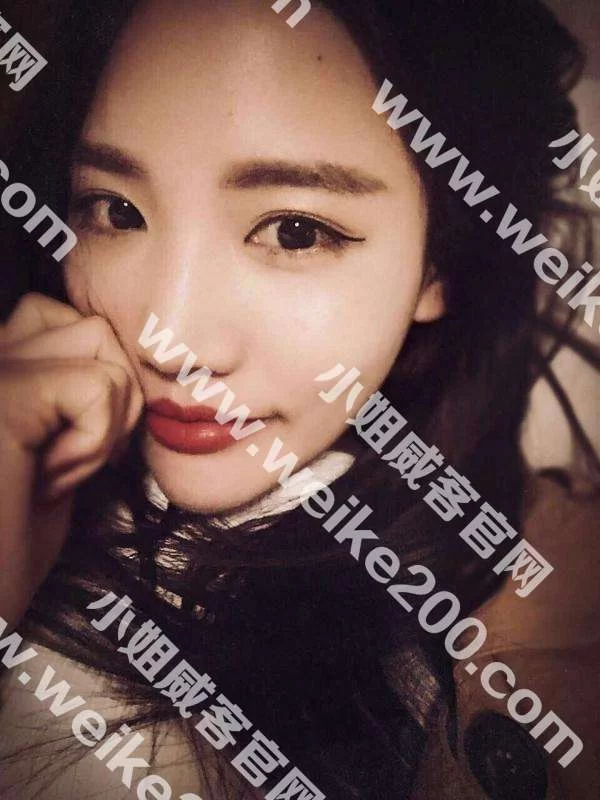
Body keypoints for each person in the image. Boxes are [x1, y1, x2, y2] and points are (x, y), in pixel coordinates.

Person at [0, 1, 599, 798]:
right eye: (117, 211)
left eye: (295, 231)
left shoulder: (527, 623)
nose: (168, 340)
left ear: (439, 265)